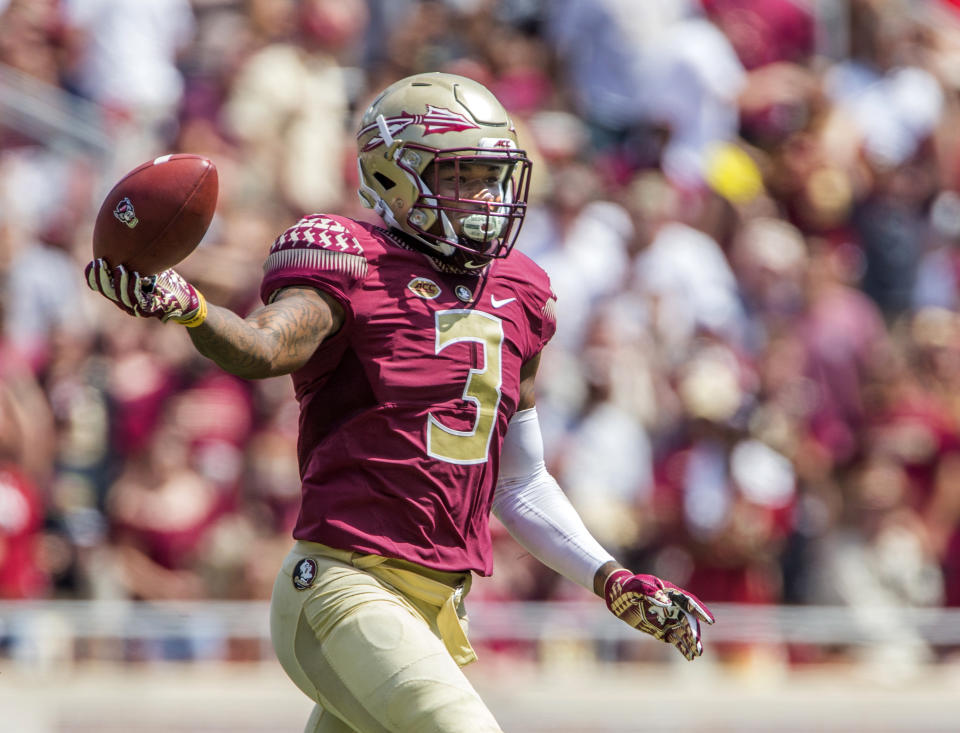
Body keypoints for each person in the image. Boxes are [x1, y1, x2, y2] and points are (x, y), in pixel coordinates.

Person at [85, 72, 714, 733]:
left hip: (435, 607)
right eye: (460, 175)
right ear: (393, 176)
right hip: (344, 587)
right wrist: (192, 308)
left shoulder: (520, 291)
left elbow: (520, 481)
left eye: (489, 175)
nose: (483, 195)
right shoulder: (349, 258)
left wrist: (608, 576)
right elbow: (264, 349)